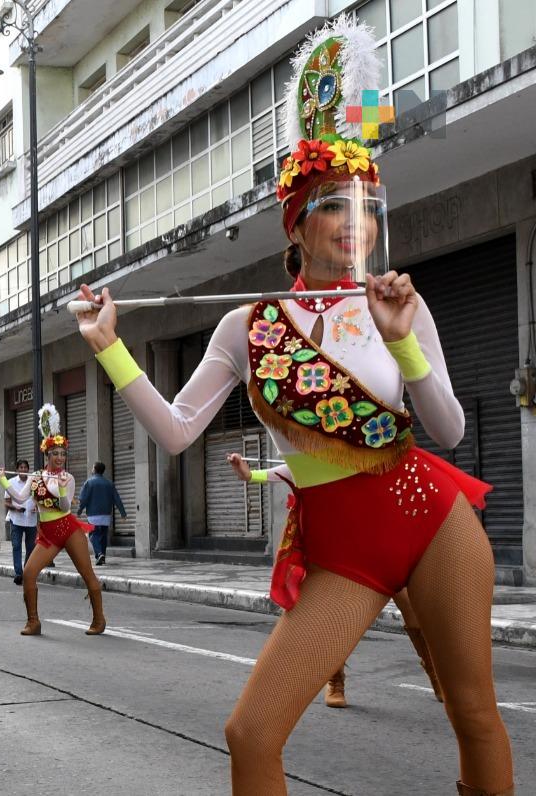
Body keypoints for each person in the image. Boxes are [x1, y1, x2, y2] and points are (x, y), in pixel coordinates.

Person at [74, 18, 511, 794]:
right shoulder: (248, 327)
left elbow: (447, 431)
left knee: (473, 714)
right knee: (251, 734)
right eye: (335, 207)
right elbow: (177, 434)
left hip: (433, 519)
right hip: (343, 552)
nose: (357, 225)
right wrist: (111, 347)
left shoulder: (397, 305)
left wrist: (404, 340)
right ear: (298, 222)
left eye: (366, 207)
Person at [227, 452, 443, 708]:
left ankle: (437, 677)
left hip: (380, 549)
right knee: (334, 619)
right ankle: (335, 681)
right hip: (341, 559)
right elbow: (280, 471)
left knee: (412, 607)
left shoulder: (367, 458)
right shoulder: (311, 465)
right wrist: (249, 474)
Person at [0, 405, 103, 636]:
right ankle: (33, 621)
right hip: (47, 534)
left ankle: (99, 619)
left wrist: (62, 490)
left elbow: (65, 506)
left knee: (87, 574)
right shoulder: (36, 476)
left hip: (68, 529)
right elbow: (21, 497)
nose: (59, 458)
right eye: (55, 454)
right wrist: (4, 480)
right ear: (47, 456)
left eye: (62, 453)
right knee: (28, 573)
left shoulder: (68, 478)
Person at [77, 462, 126, 566]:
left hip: (93, 515)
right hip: (106, 514)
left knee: (93, 535)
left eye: (92, 467)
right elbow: (117, 499)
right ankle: (102, 556)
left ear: (94, 469)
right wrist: (123, 513)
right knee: (103, 536)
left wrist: (80, 510)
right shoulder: (109, 483)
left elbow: (83, 499)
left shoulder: (89, 482)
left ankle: (99, 554)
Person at [4, 459, 37, 585]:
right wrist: (15, 508)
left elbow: (41, 499)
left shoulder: (34, 482)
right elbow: (6, 502)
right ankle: (18, 573)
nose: (23, 470)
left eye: (25, 467)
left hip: (31, 521)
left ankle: (27, 572)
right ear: (17, 469)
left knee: (30, 548)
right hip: (16, 520)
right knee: (16, 546)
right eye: (21, 467)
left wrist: (37, 507)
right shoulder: (10, 483)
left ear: (28, 469)